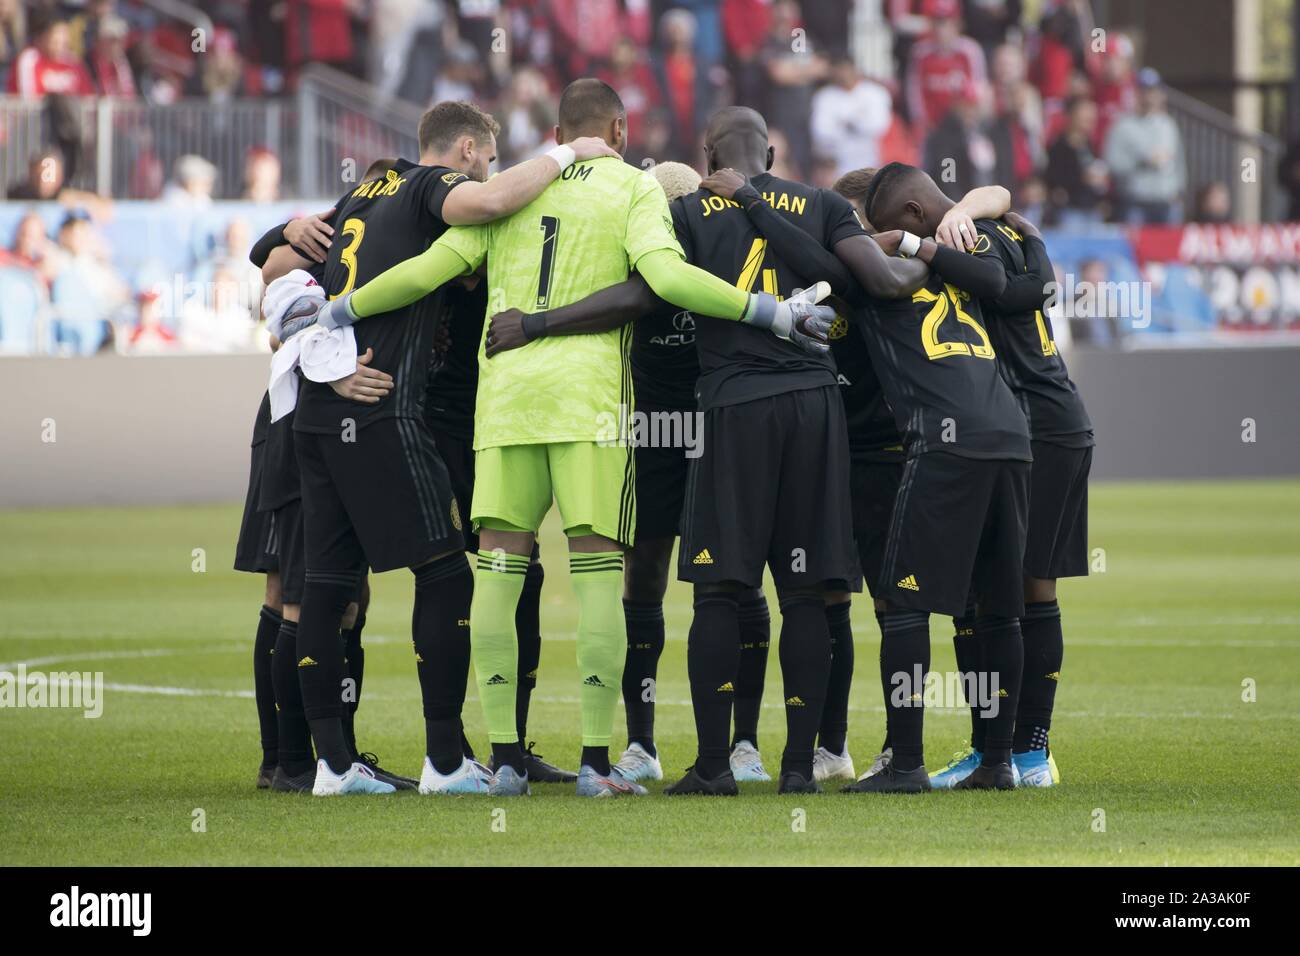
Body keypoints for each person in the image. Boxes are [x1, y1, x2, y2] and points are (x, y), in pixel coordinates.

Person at [290, 81, 837, 797]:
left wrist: (337, 312)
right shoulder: (633, 188)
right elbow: (667, 278)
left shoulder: (516, 189)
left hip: (507, 401)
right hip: (588, 405)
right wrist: (770, 312)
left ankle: (507, 762)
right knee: (598, 575)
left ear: (556, 128)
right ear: (618, 127)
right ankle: (592, 763)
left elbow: (427, 272)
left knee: (497, 571)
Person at [258, 102, 623, 797]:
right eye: (485, 158)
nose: (487, 171)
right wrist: (569, 153)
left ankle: (332, 768)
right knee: (452, 576)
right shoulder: (431, 185)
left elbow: (277, 266)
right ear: (464, 150)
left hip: (319, 410)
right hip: (385, 404)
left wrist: (284, 238)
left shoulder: (365, 190)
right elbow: (486, 203)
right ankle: (446, 762)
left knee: (327, 586)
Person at [844, 162, 1031, 792]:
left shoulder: (882, 271)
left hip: (946, 441)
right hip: (1011, 434)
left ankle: (905, 763)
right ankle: (999, 761)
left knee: (902, 601)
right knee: (998, 610)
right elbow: (1006, 265)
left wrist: (890, 244)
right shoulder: (965, 258)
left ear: (912, 216)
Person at [928, 208, 1091, 789]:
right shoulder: (1019, 235)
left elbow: (999, 288)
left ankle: (1016, 753)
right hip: (1059, 420)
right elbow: (1035, 284)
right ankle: (1015, 753)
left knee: (1002, 590)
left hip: (1032, 426)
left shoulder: (962, 246)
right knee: (1022, 586)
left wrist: (920, 245)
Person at [1104, 68, 1185, 225]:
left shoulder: (1168, 124)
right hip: (1135, 202)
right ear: (1135, 93)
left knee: (1166, 248)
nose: (1148, 96)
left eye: (1152, 91)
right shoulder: (1122, 125)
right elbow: (1112, 164)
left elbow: (1178, 160)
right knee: (1137, 249)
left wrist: (1179, 191)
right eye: (1143, 91)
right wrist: (1142, 162)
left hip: (1166, 201)